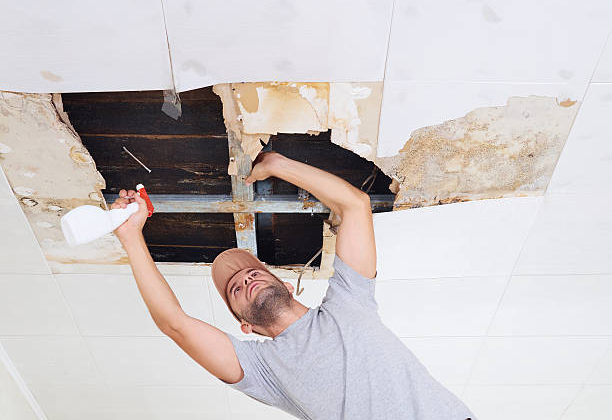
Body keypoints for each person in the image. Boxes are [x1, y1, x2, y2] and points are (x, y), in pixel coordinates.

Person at [112, 151, 475, 420]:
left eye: (253, 273)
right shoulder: (263, 369)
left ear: (287, 284)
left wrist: (276, 165)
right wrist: (131, 238)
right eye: (236, 289)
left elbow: (355, 205)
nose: (246, 279)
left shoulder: (350, 300)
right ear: (245, 326)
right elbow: (174, 323)